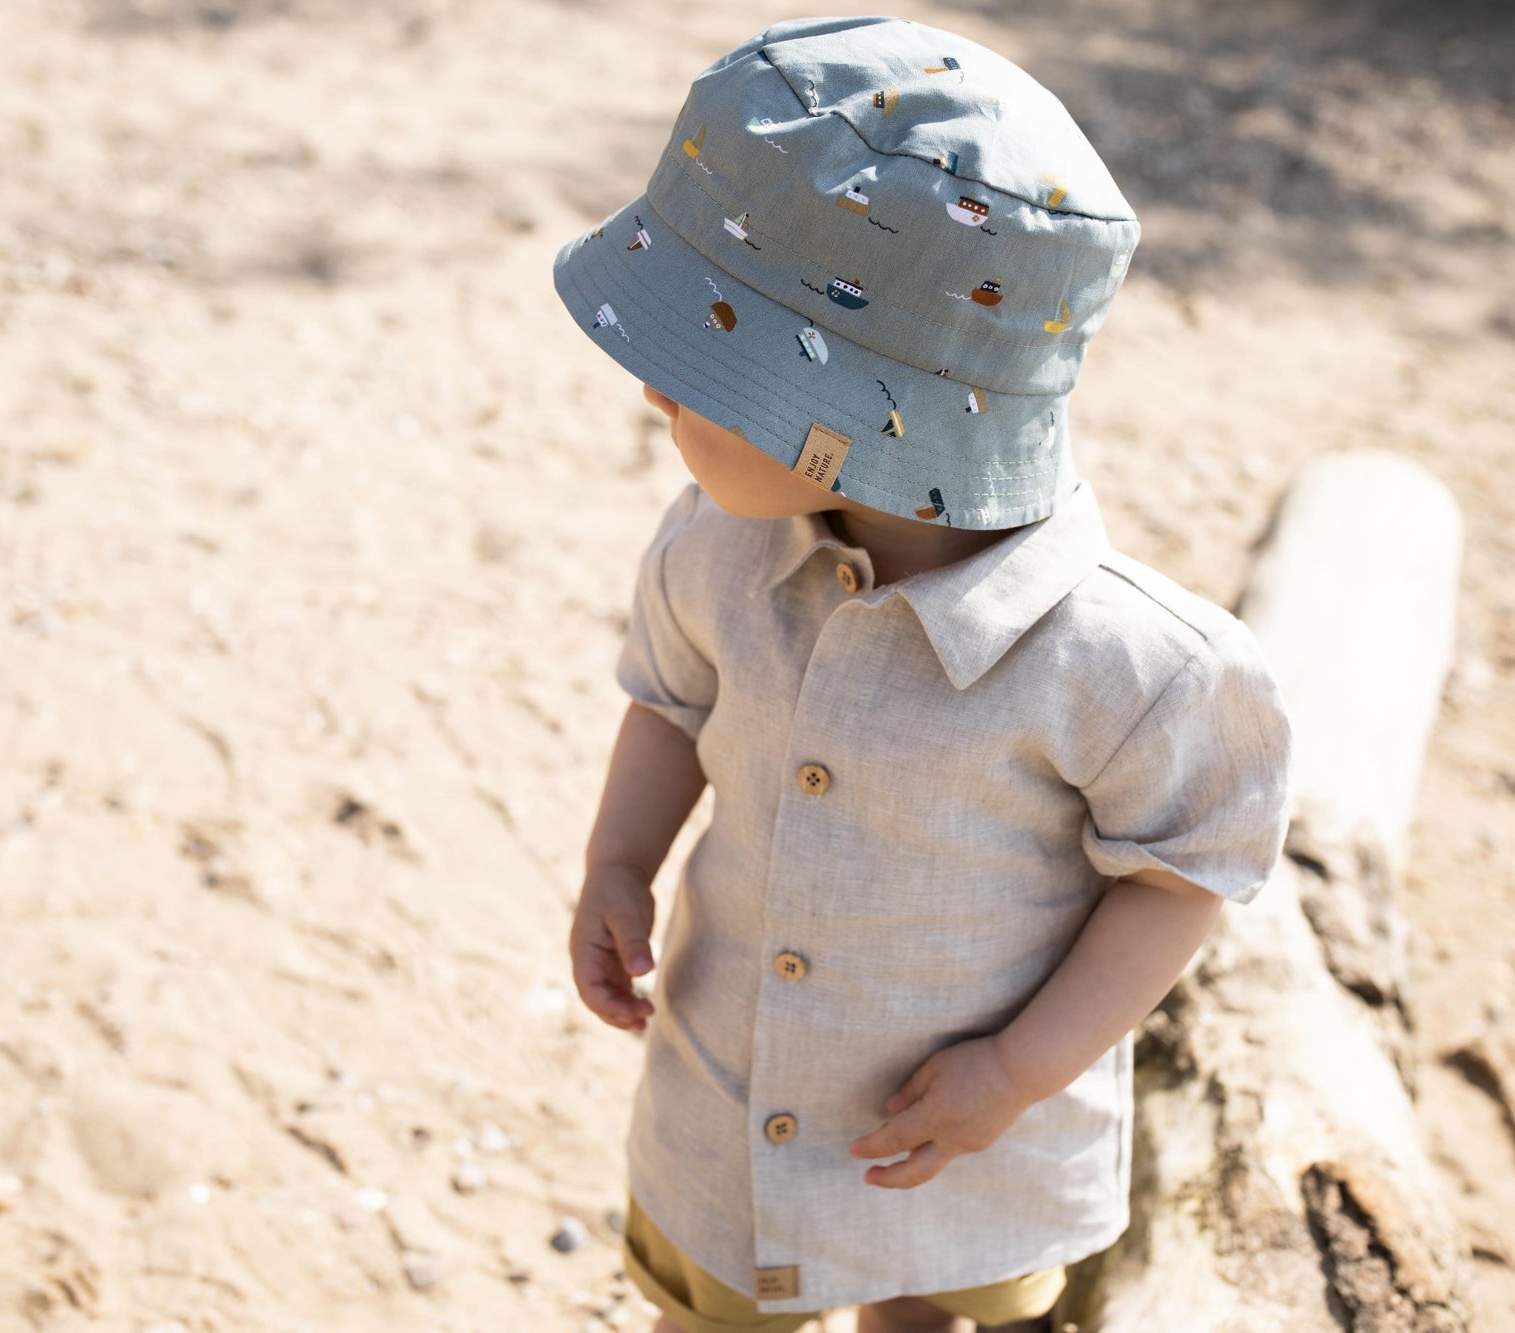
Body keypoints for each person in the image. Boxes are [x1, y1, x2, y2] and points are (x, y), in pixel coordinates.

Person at [552, 17, 1294, 1333]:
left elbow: (1184, 874)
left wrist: (1020, 1067)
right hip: (735, 1092)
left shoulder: (1121, 662)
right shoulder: (719, 542)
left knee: (935, 1310)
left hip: (962, 1131)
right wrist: (620, 859)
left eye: (703, 370)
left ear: (851, 421)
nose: (655, 398)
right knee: (713, 1309)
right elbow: (669, 701)